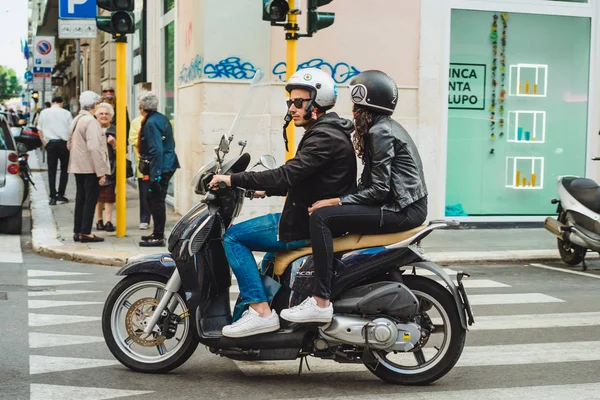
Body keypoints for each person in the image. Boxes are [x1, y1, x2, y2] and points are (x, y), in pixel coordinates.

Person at [208, 67, 357, 338]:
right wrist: (267, 192)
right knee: (269, 260)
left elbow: (287, 174)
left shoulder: (324, 136)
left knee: (233, 237)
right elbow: (305, 179)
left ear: (318, 102)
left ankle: (261, 313)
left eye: (299, 102)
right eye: (290, 102)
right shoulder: (326, 131)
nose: (292, 108)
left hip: (303, 224)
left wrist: (234, 180)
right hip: (305, 217)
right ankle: (265, 312)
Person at [279, 70, 429, 324]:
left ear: (364, 105)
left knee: (322, 218)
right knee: (329, 214)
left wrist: (338, 202)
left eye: (356, 106)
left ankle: (320, 300)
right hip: (402, 205)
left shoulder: (379, 132)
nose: (353, 112)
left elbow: (379, 189)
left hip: (402, 210)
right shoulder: (383, 127)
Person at [137, 91, 180, 247]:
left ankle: (159, 236)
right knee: (155, 200)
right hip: (167, 164)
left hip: (161, 167)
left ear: (141, 107)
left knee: (156, 200)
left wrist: (155, 175)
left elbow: (156, 149)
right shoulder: (161, 118)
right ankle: (157, 233)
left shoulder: (150, 123)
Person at [67, 91, 110, 243]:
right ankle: (86, 232)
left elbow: (69, 143)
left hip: (77, 166)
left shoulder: (77, 119)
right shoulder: (90, 121)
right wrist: (101, 172)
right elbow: (94, 147)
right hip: (90, 167)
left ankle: (77, 231)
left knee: (81, 199)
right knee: (90, 200)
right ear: (95, 105)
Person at [36, 96, 73, 205]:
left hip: (50, 144)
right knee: (64, 170)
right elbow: (71, 130)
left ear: (52, 102)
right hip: (63, 143)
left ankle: (52, 196)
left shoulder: (44, 112)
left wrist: (45, 144)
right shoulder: (66, 113)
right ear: (61, 103)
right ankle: (61, 194)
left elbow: (39, 130)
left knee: (51, 170)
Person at [94, 102, 117, 232]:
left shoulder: (115, 130)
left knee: (109, 196)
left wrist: (114, 144)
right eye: (101, 113)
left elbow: (122, 151)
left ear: (111, 116)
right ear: (96, 116)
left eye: (106, 114)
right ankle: (99, 220)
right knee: (98, 196)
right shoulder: (93, 129)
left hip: (111, 168)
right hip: (96, 167)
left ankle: (108, 221)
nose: (104, 116)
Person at [129, 114, 152, 230]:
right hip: (144, 165)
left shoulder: (160, 120)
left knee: (158, 195)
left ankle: (156, 220)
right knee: (144, 194)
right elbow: (134, 142)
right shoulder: (136, 122)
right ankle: (144, 219)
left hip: (157, 163)